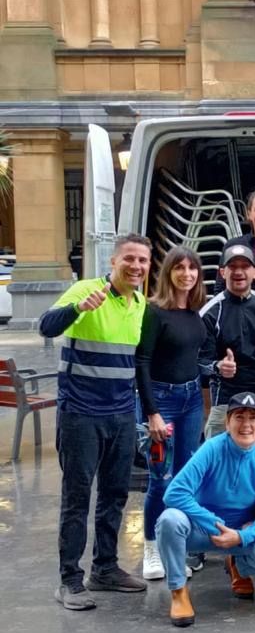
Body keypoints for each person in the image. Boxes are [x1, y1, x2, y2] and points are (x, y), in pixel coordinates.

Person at [39, 233, 152, 610]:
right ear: (113, 262)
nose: (136, 266)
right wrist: (77, 309)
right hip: (80, 415)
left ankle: (104, 568)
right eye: (129, 259)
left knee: (115, 495)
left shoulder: (139, 304)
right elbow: (46, 326)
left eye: (143, 261)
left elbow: (136, 362)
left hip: (120, 415)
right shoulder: (86, 291)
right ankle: (69, 579)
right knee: (77, 498)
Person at [156, 392, 255, 628]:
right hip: (202, 530)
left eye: (253, 418)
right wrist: (214, 524)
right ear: (227, 422)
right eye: (239, 417)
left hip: (239, 534)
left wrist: (242, 536)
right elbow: (174, 493)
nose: (246, 424)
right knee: (170, 520)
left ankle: (238, 564)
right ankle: (178, 591)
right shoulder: (212, 449)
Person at [135, 245, 207, 581]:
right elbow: (143, 362)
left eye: (192, 268)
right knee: (160, 480)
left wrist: (215, 367)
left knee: (183, 481)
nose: (187, 274)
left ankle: (174, 547)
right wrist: (151, 414)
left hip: (191, 400)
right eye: (179, 268)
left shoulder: (195, 313)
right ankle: (151, 547)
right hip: (161, 402)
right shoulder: (154, 311)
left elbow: (191, 359)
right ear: (168, 273)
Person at [199, 241, 255, 441]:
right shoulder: (210, 313)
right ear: (222, 272)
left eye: (244, 267)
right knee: (216, 462)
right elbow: (198, 362)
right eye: (232, 267)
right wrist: (218, 366)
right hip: (226, 400)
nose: (238, 272)